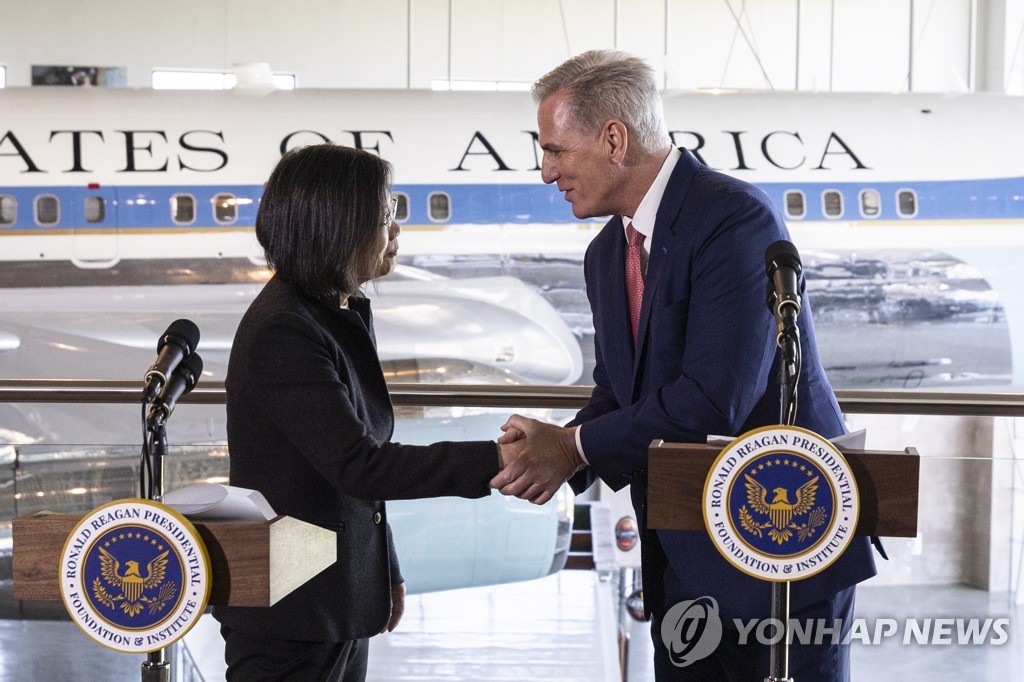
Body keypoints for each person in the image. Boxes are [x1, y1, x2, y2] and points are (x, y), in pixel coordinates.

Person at [490, 50, 879, 680]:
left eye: (556, 150)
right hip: (680, 554)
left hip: (778, 543)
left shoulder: (734, 219)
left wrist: (574, 448)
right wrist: (549, 446)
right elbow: (620, 390)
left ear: (613, 138)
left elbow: (711, 399)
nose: (545, 171)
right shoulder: (605, 253)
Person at [212, 143, 505, 681]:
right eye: (386, 216)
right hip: (291, 606)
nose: (396, 232)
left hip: (331, 595)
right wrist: (504, 460)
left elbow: (347, 478)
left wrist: (381, 568)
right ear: (339, 226)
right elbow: (360, 465)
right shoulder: (287, 329)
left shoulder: (330, 313)